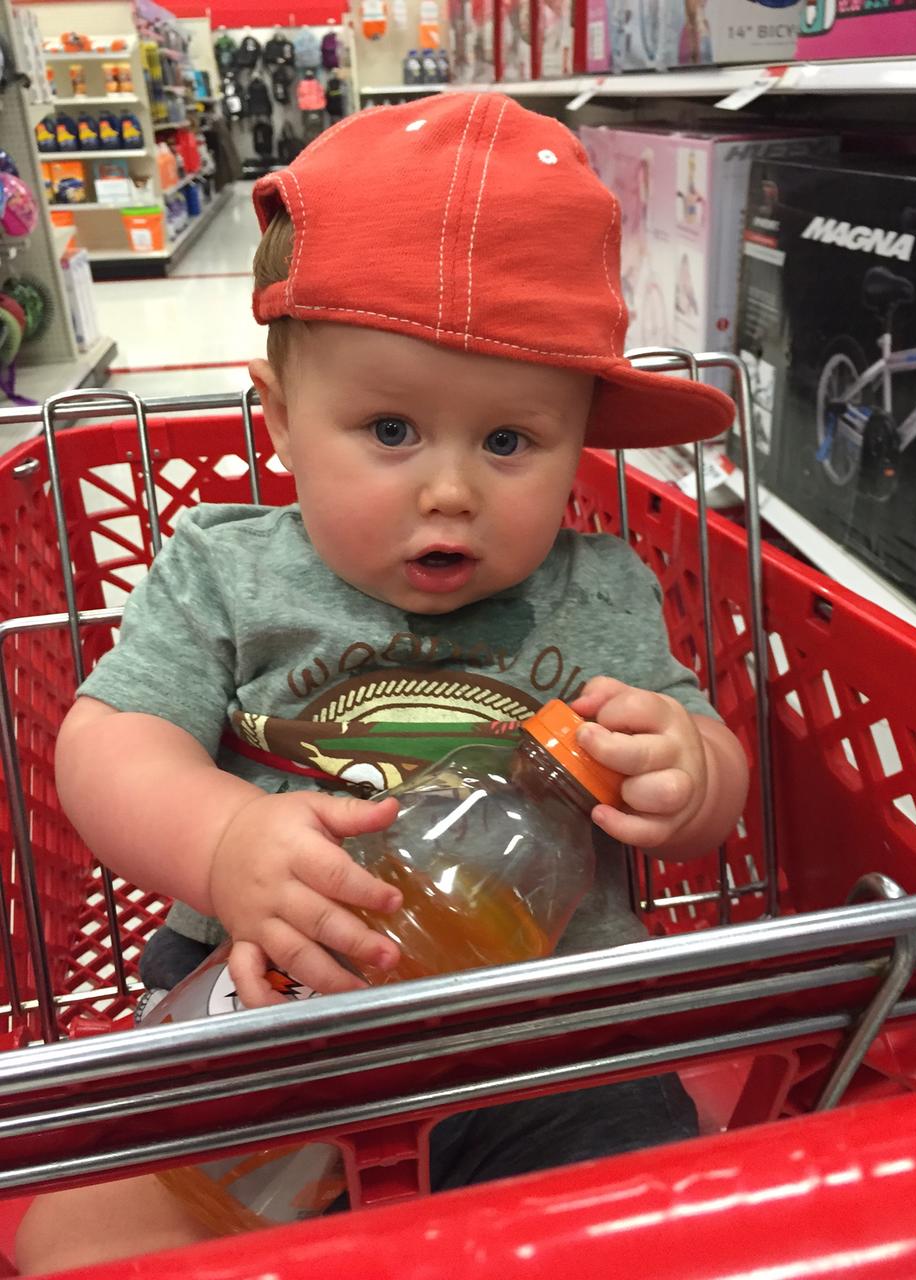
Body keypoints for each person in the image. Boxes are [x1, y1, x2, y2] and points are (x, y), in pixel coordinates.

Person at [16, 92, 748, 1273]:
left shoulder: (601, 588)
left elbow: (709, 765)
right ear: (280, 419)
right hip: (270, 993)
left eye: (509, 441)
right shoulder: (226, 571)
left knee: (651, 1220)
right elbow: (108, 739)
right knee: (83, 1237)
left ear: (580, 438)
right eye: (392, 429)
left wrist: (689, 772)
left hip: (546, 1034)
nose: (450, 490)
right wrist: (223, 841)